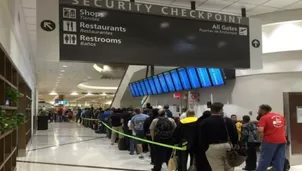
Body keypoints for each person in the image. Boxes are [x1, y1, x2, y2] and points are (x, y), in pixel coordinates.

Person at [199, 102, 238, 171]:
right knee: (229, 168)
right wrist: (234, 144)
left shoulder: (205, 122)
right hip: (227, 145)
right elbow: (235, 134)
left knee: (217, 168)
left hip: (212, 147)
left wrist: (205, 148)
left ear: (211, 110)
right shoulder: (228, 121)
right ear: (221, 110)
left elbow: (201, 137)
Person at [256, 104, 287, 171]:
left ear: (263, 110)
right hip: (282, 141)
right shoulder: (280, 116)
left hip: (270, 141)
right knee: (279, 160)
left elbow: (260, 131)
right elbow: (284, 129)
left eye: (259, 110)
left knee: (264, 159)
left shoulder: (264, 117)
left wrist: (260, 141)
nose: (257, 112)